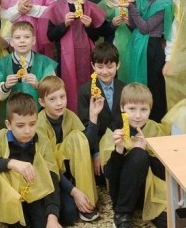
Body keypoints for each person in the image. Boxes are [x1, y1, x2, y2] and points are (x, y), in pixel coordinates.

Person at [0, 92, 62, 228]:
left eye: (32, 124)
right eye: (20, 125)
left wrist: (52, 216)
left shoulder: (42, 140)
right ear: (8, 124)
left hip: (33, 192)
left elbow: (52, 177)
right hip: (9, 196)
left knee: (49, 221)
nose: (27, 131)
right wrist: (11, 163)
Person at [100, 83, 167, 228]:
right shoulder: (114, 130)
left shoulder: (155, 129)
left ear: (150, 110)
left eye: (143, 109)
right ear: (122, 108)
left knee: (168, 222)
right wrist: (119, 149)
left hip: (149, 192)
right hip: (122, 195)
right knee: (138, 155)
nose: (138, 115)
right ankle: (122, 216)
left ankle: (147, 210)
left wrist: (146, 150)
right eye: (132, 109)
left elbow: (165, 173)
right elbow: (110, 175)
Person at [37, 76, 100, 224]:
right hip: (50, 175)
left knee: (77, 137)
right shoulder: (39, 124)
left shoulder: (70, 115)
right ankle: (76, 195)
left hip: (69, 173)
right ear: (42, 102)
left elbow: (86, 144)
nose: (59, 103)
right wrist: (74, 192)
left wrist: (93, 117)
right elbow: (49, 166)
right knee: (69, 215)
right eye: (52, 99)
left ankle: (87, 199)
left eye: (62, 97)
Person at [46, 0, 108, 112]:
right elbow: (50, 36)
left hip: (87, 57)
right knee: (67, 88)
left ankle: (89, 118)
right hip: (64, 57)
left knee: (88, 88)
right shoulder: (56, 7)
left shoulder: (90, 7)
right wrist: (64, 24)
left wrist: (89, 26)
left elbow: (96, 36)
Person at [126, 0, 173, 121]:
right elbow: (132, 26)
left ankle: (155, 123)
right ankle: (138, 121)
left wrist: (131, 7)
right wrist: (130, 9)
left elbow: (145, 28)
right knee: (138, 86)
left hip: (152, 49)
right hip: (139, 47)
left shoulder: (164, 2)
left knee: (153, 88)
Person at [77, 43, 126, 179]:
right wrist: (96, 153)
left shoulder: (124, 88)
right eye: (100, 67)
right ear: (93, 66)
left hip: (120, 143)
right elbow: (85, 127)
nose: (105, 71)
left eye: (110, 67)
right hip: (96, 145)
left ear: (118, 65)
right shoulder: (85, 91)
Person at [0, 21, 58, 119]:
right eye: (17, 37)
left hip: (39, 116)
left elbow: (53, 91)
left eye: (27, 37)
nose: (22, 41)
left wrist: (38, 85)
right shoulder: (1, 64)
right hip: (11, 117)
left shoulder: (44, 63)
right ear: (11, 42)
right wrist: (5, 86)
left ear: (33, 40)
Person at [98, 0, 133, 73]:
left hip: (132, 46)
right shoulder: (104, 4)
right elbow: (100, 31)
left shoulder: (134, 1)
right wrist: (112, 24)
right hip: (112, 48)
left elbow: (141, 27)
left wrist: (130, 24)